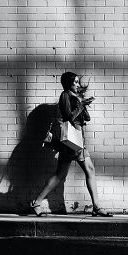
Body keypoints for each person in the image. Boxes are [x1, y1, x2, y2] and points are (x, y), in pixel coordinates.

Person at [30, 72, 112, 217]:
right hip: (71, 142)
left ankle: (96, 207)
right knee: (62, 174)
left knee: (78, 171)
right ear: (68, 83)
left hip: (78, 140)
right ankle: (37, 202)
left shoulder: (75, 97)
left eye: (78, 82)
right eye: (75, 82)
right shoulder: (65, 95)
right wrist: (81, 105)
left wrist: (84, 105)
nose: (77, 84)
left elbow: (86, 118)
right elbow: (69, 116)